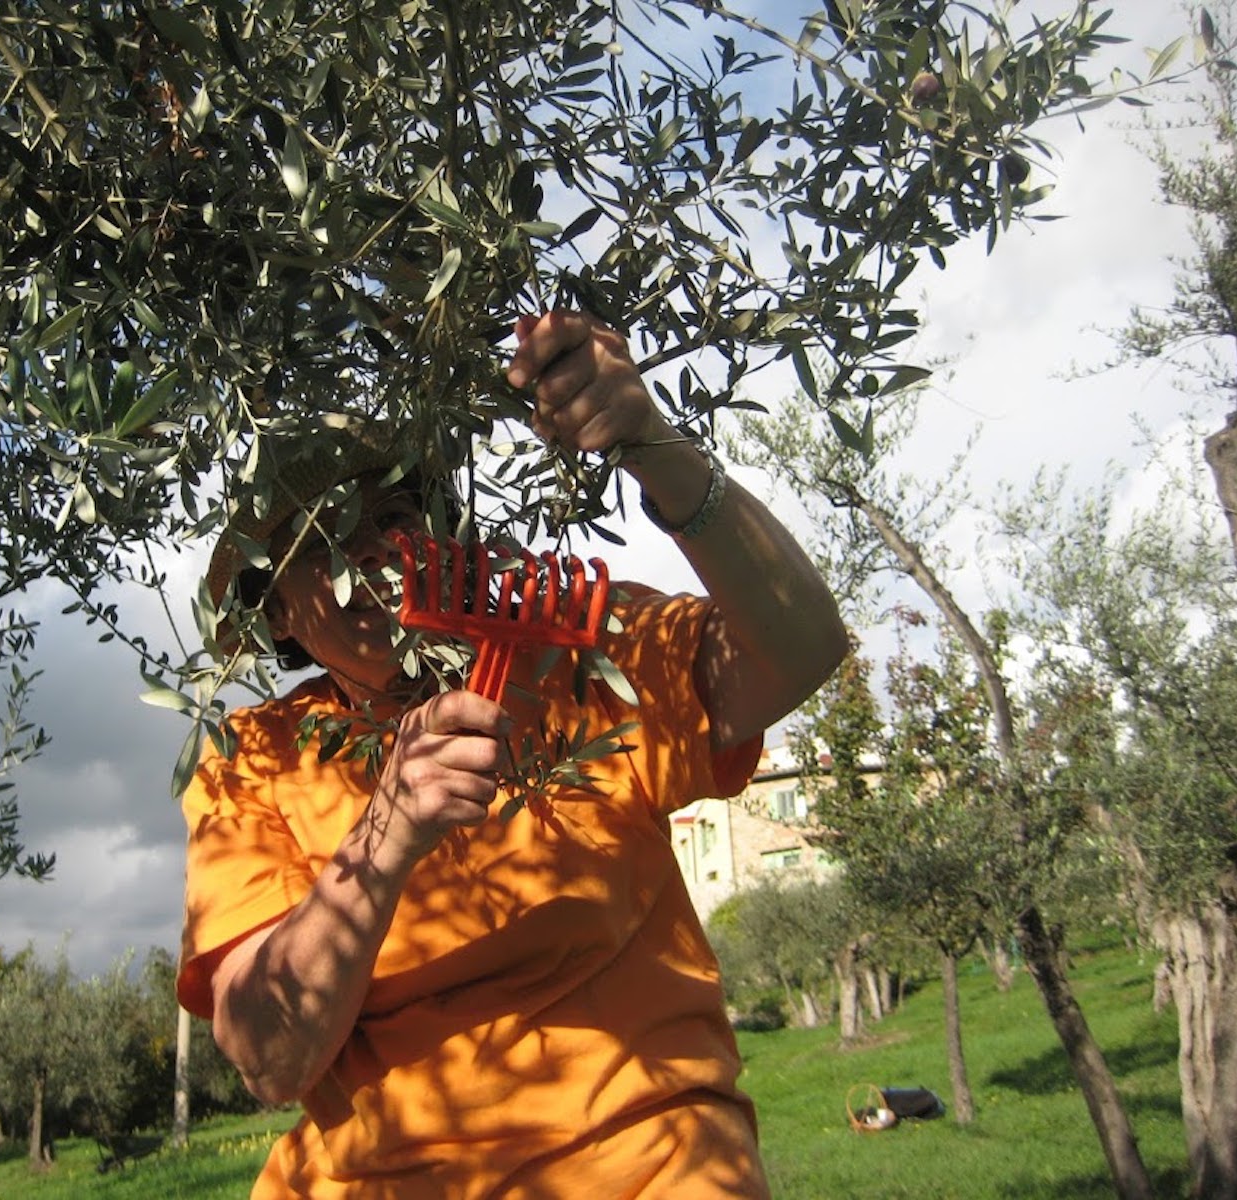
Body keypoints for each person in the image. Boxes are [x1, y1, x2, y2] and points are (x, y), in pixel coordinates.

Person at [178, 310, 849, 1198]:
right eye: (326, 536)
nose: (372, 547)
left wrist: (653, 446)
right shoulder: (251, 760)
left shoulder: (575, 659)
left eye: (393, 510)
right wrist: (382, 841)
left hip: (645, 1161)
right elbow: (268, 1058)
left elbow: (799, 650)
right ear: (272, 613)